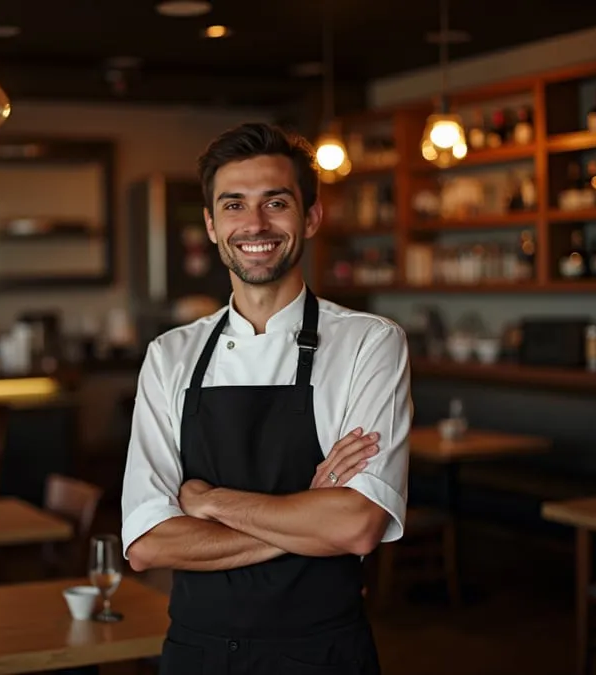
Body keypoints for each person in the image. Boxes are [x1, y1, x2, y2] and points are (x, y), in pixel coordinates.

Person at [121, 122, 411, 675]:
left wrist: (210, 501)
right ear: (210, 224)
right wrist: (306, 509)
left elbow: (357, 527)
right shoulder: (169, 356)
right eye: (234, 205)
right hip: (196, 654)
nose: (254, 224)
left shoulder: (369, 343)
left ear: (311, 217)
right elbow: (148, 545)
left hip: (323, 654)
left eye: (275, 202)